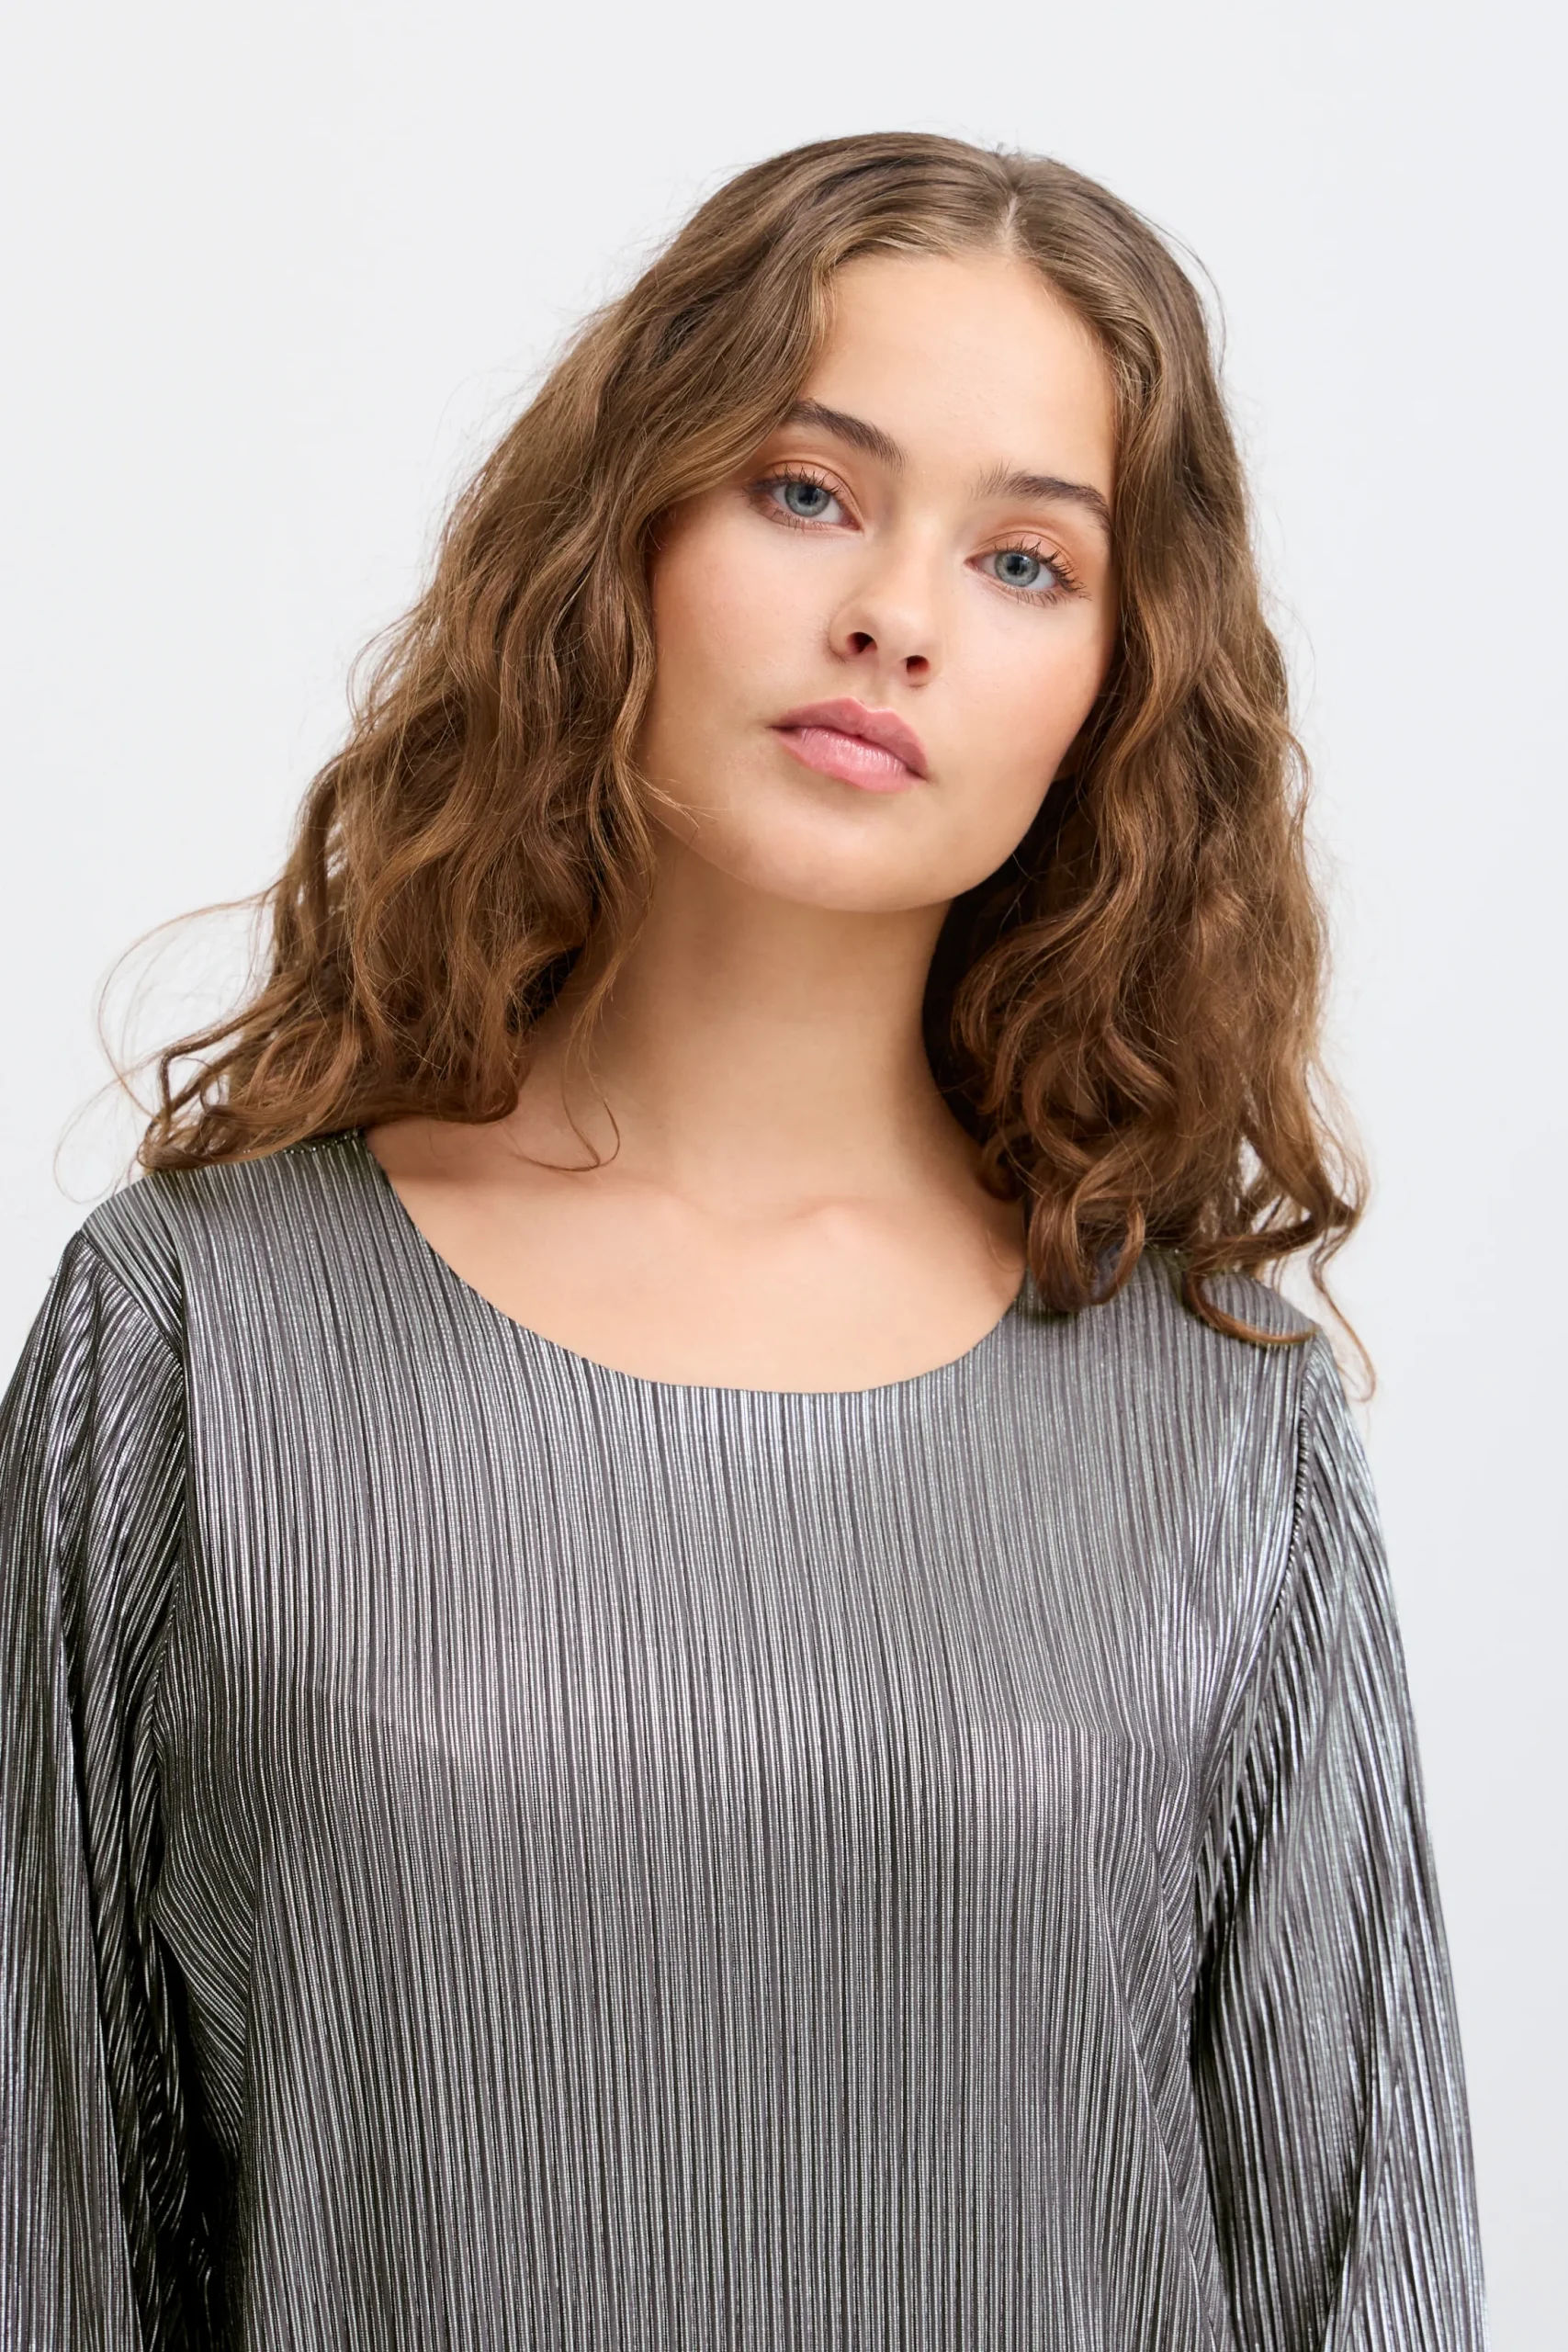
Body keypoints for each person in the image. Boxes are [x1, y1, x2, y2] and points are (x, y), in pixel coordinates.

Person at [0, 131, 1486, 2348]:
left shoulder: (1207, 1415)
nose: (894, 612)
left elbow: (1362, 2271)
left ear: (1114, 685)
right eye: (807, 490)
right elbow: (46, 2213)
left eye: (1023, 559)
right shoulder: (199, 1335)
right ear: (627, 531)